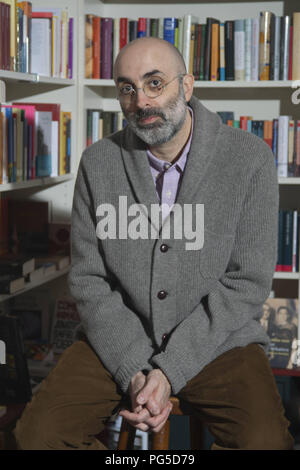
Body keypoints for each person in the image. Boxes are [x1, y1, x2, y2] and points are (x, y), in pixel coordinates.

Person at [13, 37, 294, 450]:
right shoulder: (98, 162)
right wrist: (133, 370)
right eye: (127, 88)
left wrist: (167, 372)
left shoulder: (248, 158)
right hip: (116, 338)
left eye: (155, 83)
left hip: (217, 340)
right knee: (36, 438)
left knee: (266, 442)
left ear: (187, 86)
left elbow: (246, 284)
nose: (141, 101)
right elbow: (90, 280)